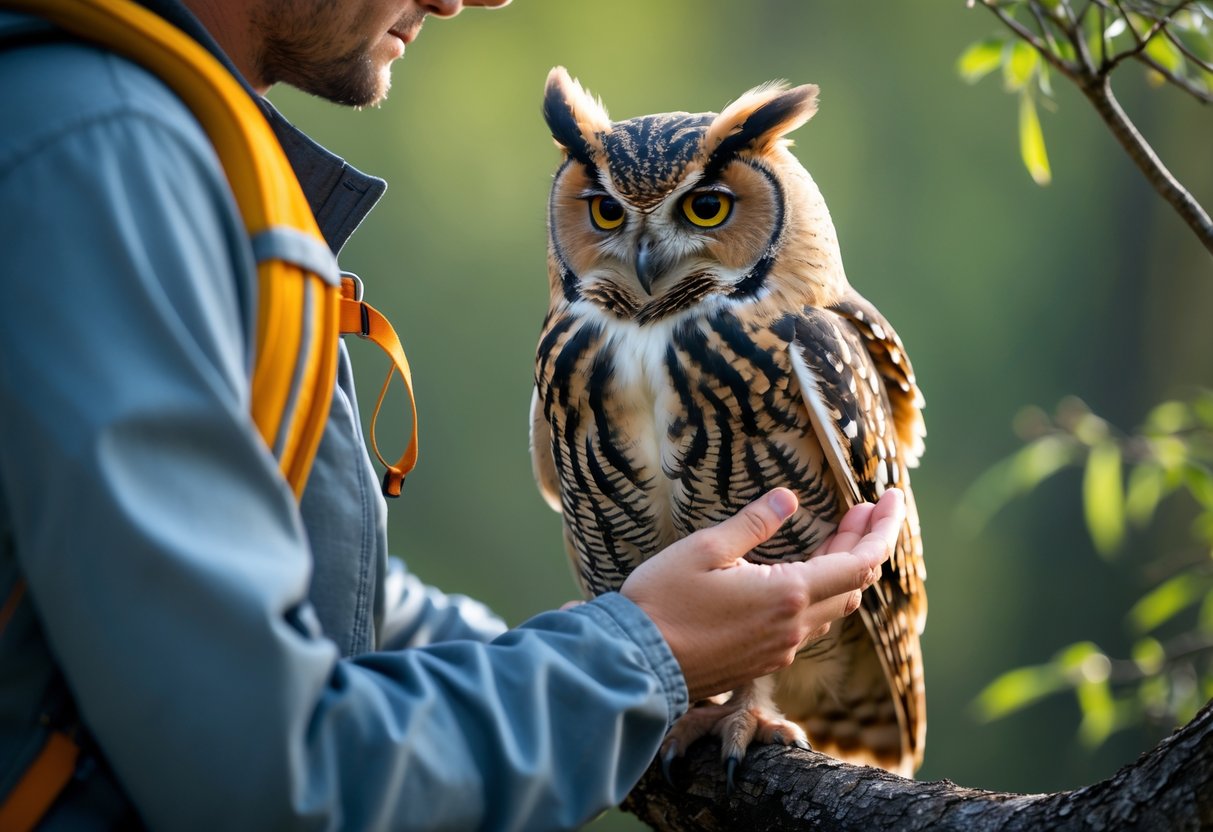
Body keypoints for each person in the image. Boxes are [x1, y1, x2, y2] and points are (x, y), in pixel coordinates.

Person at [0, 0, 905, 828]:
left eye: (706, 211)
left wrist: (600, 653)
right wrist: (635, 659)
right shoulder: (104, 153)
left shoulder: (178, 141)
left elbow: (295, 593)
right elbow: (267, 777)